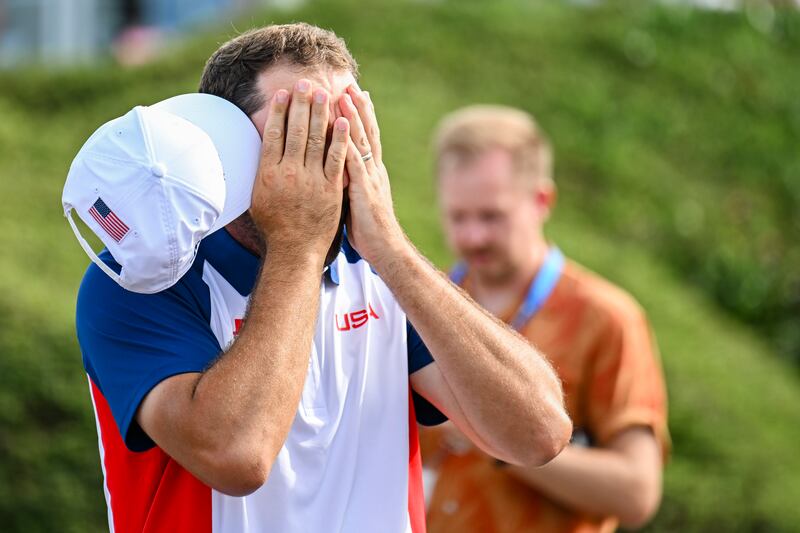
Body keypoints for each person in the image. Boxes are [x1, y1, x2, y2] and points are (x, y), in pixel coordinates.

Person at [68, 25, 572, 533]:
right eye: (296, 133)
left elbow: (538, 435)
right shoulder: (134, 282)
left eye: (342, 133)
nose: (327, 162)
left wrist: (392, 248)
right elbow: (238, 455)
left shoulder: (377, 267)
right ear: (221, 148)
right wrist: (297, 245)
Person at [420, 105, 670, 533]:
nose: (472, 237)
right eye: (458, 216)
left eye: (491, 216)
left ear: (542, 201)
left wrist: (502, 434)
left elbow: (637, 492)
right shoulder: (417, 305)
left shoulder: (607, 319)